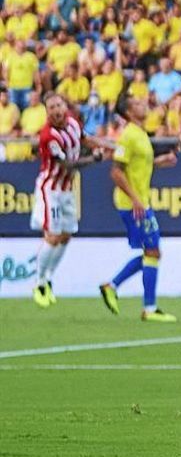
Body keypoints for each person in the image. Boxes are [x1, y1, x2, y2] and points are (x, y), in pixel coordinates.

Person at [99, 97, 178, 322]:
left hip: (141, 202)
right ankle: (149, 308)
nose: (143, 104)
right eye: (136, 104)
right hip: (132, 204)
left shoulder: (141, 133)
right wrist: (134, 199)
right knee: (152, 251)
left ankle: (112, 286)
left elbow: (139, 165)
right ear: (129, 112)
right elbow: (116, 171)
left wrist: (161, 161)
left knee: (151, 252)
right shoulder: (129, 135)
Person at [30, 93, 103, 308]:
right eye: (51, 107)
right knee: (52, 236)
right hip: (50, 189)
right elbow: (66, 166)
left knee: (66, 234)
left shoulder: (72, 123)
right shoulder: (48, 136)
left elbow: (85, 138)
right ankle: (39, 282)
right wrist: (94, 158)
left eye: (59, 105)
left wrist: (108, 144)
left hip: (67, 190)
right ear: (47, 112)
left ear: (65, 106)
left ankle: (49, 277)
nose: (56, 110)